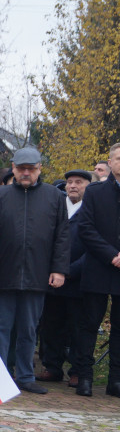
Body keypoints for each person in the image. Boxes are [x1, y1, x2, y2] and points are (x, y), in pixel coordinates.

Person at [0, 147, 69, 395]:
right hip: (3, 273)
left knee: (29, 329)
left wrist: (59, 269)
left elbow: (62, 236)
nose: (26, 173)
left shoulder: (54, 196)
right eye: (21, 168)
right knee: (0, 329)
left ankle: (25, 375)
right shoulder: (1, 196)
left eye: (31, 169)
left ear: (40, 169)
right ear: (14, 169)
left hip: (37, 273)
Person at [74, 145, 120, 398]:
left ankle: (116, 380)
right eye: (119, 158)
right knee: (89, 324)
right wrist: (111, 255)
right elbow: (86, 228)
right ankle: (85, 378)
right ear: (110, 162)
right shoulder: (95, 191)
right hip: (98, 267)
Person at [38, 169, 89, 391]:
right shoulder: (57, 208)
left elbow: (93, 247)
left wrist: (69, 271)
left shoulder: (91, 211)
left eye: (78, 182)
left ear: (89, 185)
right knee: (51, 324)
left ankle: (77, 370)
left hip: (79, 280)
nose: (72, 186)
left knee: (78, 328)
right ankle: (52, 366)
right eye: (69, 182)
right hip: (52, 278)